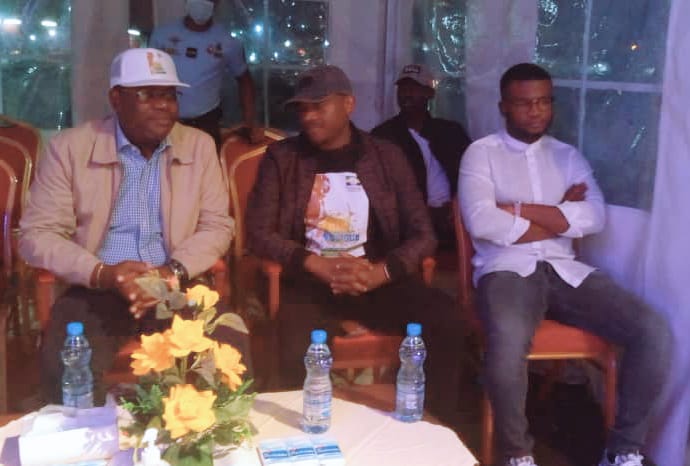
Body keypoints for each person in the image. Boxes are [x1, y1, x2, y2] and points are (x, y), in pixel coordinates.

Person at [458, 62, 670, 466]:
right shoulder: (481, 154)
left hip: (566, 271)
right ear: (504, 107)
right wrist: (559, 217)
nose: (536, 111)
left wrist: (518, 209)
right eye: (524, 103)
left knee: (652, 330)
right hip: (507, 271)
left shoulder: (567, 156)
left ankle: (623, 450)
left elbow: (595, 217)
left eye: (543, 101)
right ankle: (517, 454)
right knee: (507, 342)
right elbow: (483, 222)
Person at [19, 48, 241, 404]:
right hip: (97, 285)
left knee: (227, 349)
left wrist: (171, 271)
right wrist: (104, 274)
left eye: (169, 95)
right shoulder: (70, 148)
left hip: (176, 283)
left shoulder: (198, 146)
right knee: (67, 360)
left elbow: (217, 225)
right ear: (116, 99)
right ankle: (84, 437)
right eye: (147, 95)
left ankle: (205, 435)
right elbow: (37, 235)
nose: (163, 105)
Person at [245, 64, 463, 419]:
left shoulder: (386, 156)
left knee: (447, 321)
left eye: (319, 106)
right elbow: (259, 232)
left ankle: (433, 428)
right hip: (311, 282)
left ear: (348, 104)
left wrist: (382, 271)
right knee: (294, 348)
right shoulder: (283, 158)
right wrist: (314, 263)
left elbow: (423, 233)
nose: (309, 116)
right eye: (302, 108)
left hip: (375, 279)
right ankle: (302, 436)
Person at [372, 64, 470, 250]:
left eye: (414, 88)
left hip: (449, 219)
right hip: (407, 223)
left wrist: (456, 205)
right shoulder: (383, 136)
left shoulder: (450, 132)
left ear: (429, 93)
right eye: (403, 88)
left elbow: (470, 175)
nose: (407, 94)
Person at [149, 0, 263, 150]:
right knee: (163, 164)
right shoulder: (162, 35)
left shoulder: (228, 42)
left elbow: (245, 81)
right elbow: (148, 79)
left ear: (218, 2)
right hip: (166, 121)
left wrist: (249, 123)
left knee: (208, 164)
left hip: (206, 124)